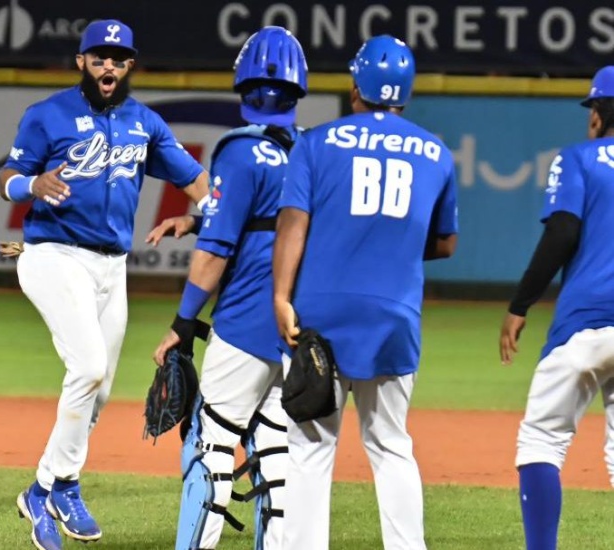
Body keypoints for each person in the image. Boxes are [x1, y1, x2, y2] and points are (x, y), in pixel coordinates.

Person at [0, 18, 210, 550]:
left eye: (118, 58)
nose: (108, 65)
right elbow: (7, 180)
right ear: (82, 62)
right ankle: (55, 486)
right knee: (88, 367)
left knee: (101, 389)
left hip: (112, 268)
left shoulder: (144, 123)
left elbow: (196, 182)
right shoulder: (47, 115)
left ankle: (48, 489)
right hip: (53, 254)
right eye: (99, 56)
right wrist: (31, 184)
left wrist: (203, 216)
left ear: (130, 65)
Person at [271, 35, 458, 550]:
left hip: (321, 314)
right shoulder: (436, 152)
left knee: (311, 445)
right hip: (393, 315)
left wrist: (281, 296)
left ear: (356, 86)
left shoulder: (317, 143)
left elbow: (292, 225)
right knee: (391, 443)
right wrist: (391, 246)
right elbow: (446, 243)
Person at [147, 27, 307, 550]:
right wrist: (197, 220)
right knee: (276, 452)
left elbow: (216, 252)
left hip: (244, 322)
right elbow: (276, 221)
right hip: (296, 326)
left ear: (242, 84)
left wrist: (182, 322)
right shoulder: (309, 152)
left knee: (209, 444)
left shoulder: (239, 150)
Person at [499, 65, 614, 550]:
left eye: (593, 109)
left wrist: (520, 304)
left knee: (542, 441)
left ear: (600, 113)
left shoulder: (579, 159)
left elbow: (562, 233)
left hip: (584, 323)